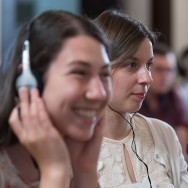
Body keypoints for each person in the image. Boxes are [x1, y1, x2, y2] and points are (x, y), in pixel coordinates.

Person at [0, 10, 112, 188]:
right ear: (29, 81)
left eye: (105, 75)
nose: (100, 93)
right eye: (80, 72)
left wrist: (85, 171)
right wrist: (54, 171)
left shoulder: (72, 154)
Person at [94, 9, 188, 188]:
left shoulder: (164, 134)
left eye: (149, 65)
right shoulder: (71, 148)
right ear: (99, 69)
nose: (148, 78)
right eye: (131, 64)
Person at [139, 42, 188, 161]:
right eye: (159, 70)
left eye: (170, 70)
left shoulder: (175, 97)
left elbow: (183, 151)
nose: (166, 76)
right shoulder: (135, 97)